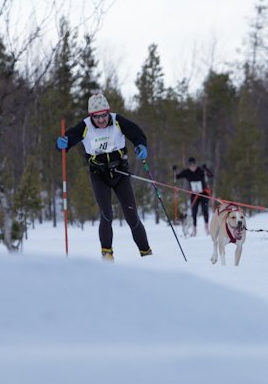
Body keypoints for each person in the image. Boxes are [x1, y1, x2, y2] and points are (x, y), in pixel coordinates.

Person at [56, 93, 152, 261]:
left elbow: (136, 133)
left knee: (131, 214)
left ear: (109, 112)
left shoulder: (117, 121)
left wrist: (141, 145)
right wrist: (62, 144)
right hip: (98, 175)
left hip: (120, 172)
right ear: (91, 116)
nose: (101, 120)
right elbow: (69, 138)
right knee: (106, 214)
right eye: (96, 116)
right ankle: (107, 254)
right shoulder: (85, 126)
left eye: (104, 115)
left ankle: (146, 253)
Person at [173, 157, 213, 236]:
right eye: (191, 166)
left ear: (196, 165)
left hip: (203, 192)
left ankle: (207, 227)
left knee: (205, 209)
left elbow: (210, 175)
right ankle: (194, 229)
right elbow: (176, 177)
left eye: (194, 165)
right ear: (188, 166)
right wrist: (174, 170)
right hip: (194, 194)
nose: (193, 167)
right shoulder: (186, 172)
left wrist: (206, 169)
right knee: (194, 211)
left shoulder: (201, 170)